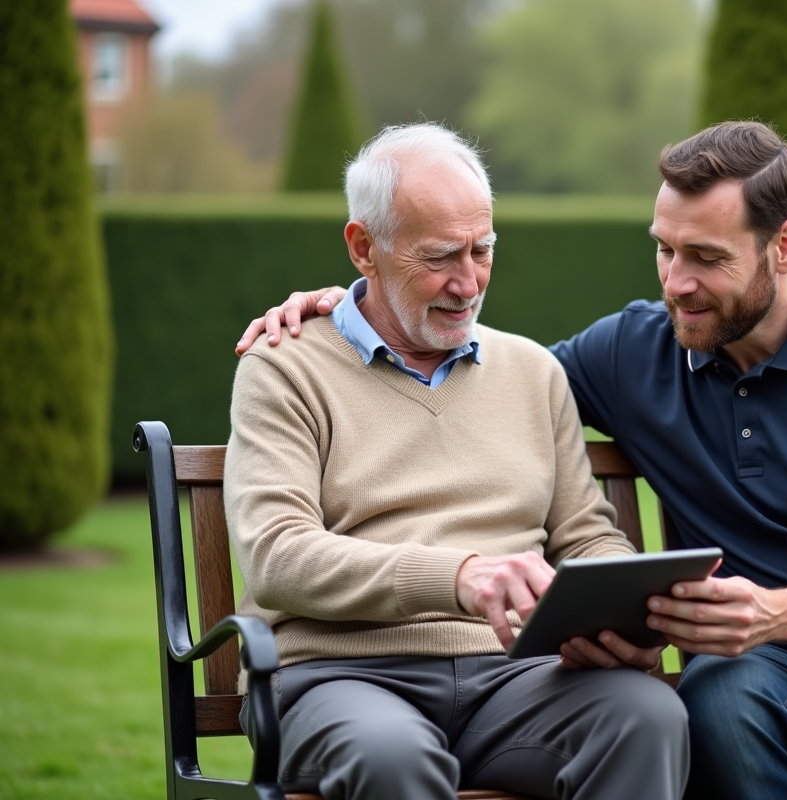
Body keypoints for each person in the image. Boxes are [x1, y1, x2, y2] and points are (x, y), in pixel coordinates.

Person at [238, 120, 787, 800]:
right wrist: (346, 304)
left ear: (784, 246)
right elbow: (454, 367)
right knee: (714, 699)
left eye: (706, 258)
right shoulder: (630, 352)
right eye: (664, 251)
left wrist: (772, 614)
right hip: (776, 671)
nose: (676, 285)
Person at [225, 122, 689, 800]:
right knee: (391, 758)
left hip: (514, 676)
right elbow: (278, 555)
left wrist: (633, 604)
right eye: (442, 256)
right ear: (364, 248)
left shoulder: (533, 371)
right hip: (339, 678)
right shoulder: (284, 369)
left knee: (646, 716)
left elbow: (584, 534)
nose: (468, 282)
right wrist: (461, 576)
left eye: (484, 249)